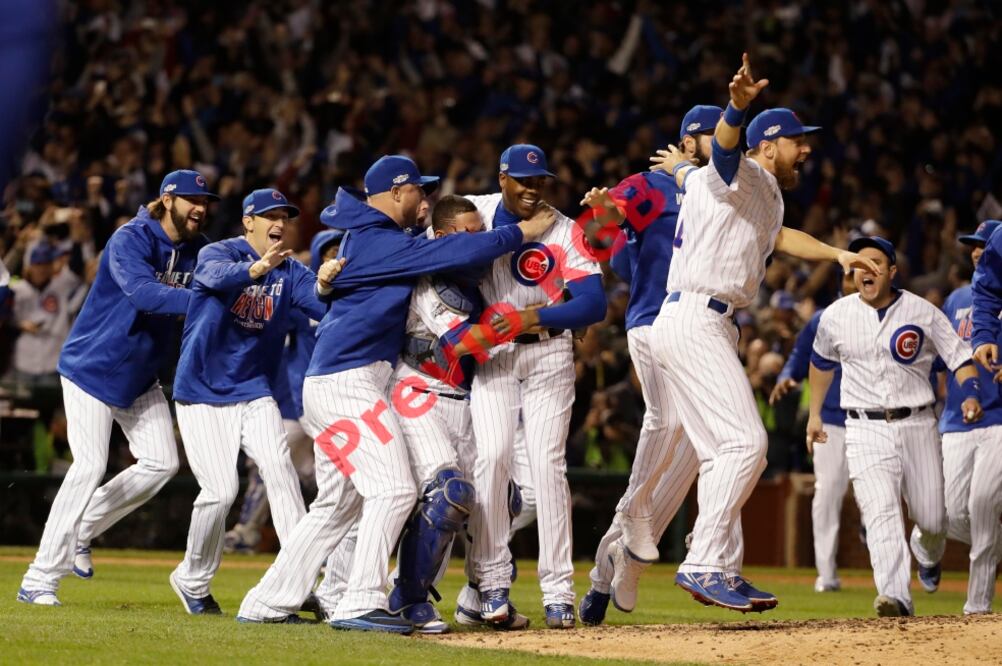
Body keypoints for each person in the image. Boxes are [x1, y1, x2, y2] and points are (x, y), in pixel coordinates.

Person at [236, 155, 558, 631]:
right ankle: (360, 601)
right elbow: (451, 251)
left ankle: (266, 601)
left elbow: (411, 259)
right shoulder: (379, 239)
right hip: (347, 381)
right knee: (394, 489)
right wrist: (522, 233)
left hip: (346, 380)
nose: (424, 200)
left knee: (337, 505)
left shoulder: (377, 237)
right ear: (396, 192)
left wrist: (326, 283)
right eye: (418, 191)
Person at [644, 54, 878, 612]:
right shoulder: (743, 173)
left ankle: (722, 566)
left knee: (720, 452)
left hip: (703, 321)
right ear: (768, 146)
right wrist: (736, 107)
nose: (807, 150)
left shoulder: (762, 190)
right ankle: (703, 563)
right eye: (798, 141)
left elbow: (782, 235)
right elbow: (725, 151)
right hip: (696, 317)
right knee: (747, 444)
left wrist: (838, 254)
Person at [18, 170, 216, 606]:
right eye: (192, 199)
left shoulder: (199, 250)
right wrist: (209, 299)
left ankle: (83, 528)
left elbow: (223, 277)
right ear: (168, 199)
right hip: (91, 369)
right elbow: (145, 295)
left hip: (139, 378)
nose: (200, 208)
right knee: (89, 465)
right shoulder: (131, 238)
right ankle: (39, 577)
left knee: (162, 463)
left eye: (205, 202)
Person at [577, 105, 734, 623]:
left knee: (690, 456)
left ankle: (617, 566)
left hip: (708, 329)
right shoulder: (651, 184)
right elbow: (603, 233)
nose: (726, 139)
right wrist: (604, 212)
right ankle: (635, 519)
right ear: (688, 142)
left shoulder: (728, 188)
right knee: (665, 422)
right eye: (714, 134)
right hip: (653, 318)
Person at [167, 188, 343, 614]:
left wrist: (324, 282)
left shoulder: (291, 271)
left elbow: (321, 306)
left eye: (284, 216)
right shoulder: (219, 252)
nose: (279, 223)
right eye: (269, 216)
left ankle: (295, 581)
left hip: (254, 389)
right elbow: (212, 277)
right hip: (202, 390)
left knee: (281, 474)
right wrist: (255, 268)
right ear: (248, 222)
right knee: (220, 492)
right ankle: (191, 578)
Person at [463, 144, 606, 629]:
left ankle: (559, 590)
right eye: (523, 180)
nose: (532, 189)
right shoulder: (476, 212)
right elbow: (442, 250)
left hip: (548, 351)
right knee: (492, 458)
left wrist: (537, 316)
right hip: (493, 354)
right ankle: (491, 581)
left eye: (539, 180)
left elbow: (593, 304)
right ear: (502, 178)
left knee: (547, 467)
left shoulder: (564, 229)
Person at [808, 236, 983, 617]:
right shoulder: (835, 315)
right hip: (863, 427)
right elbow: (820, 362)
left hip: (918, 423)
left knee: (933, 518)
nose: (865, 269)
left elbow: (960, 358)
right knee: (880, 511)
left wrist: (971, 394)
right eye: (858, 263)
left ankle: (927, 551)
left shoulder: (922, 311)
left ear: (891, 271)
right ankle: (895, 596)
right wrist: (814, 413)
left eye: (874, 262)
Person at [223, 228, 344, 555]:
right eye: (329, 252)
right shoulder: (302, 295)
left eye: (340, 251)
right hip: (296, 400)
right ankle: (247, 531)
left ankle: (333, 543)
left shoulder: (355, 296)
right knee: (270, 463)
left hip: (338, 399)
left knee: (331, 475)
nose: (335, 258)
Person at [770, 270, 857, 593]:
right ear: (840, 283)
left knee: (878, 493)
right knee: (828, 490)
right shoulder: (824, 318)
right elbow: (800, 353)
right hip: (831, 419)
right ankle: (826, 573)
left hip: (873, 420)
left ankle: (885, 573)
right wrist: (787, 375)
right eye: (849, 276)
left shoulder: (887, 317)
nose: (855, 282)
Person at [945, 220, 1002, 614]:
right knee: (950, 512)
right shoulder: (959, 299)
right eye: (974, 245)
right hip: (961, 417)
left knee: (982, 501)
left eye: (983, 243)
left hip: (999, 417)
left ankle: (977, 606)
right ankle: (993, 546)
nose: (978, 250)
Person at [7, 242, 86, 388]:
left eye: (46, 264)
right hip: (24, 361)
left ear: (51, 266)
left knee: (49, 401)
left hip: (52, 362)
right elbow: (4, 321)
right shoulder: (16, 289)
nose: (42, 269)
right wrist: (19, 325)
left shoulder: (61, 285)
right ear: (30, 266)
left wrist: (77, 241)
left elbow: (76, 267)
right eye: (38, 264)